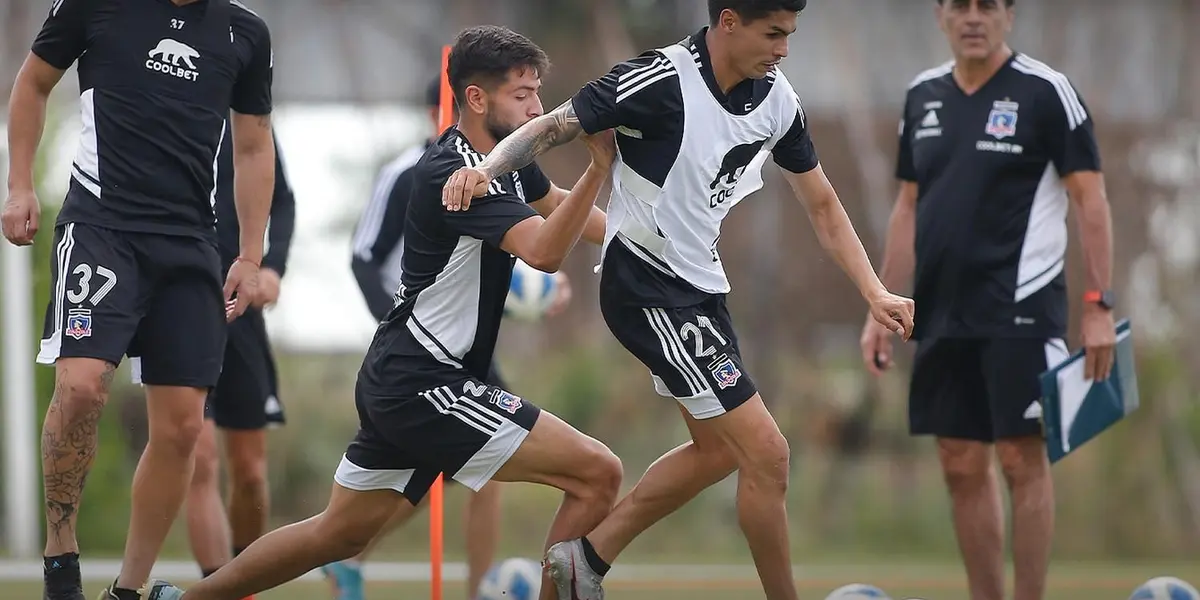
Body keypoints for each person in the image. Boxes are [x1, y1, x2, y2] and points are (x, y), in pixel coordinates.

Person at [442, 2, 917, 599]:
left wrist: (873, 289)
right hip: (646, 285)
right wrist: (486, 169)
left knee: (718, 451)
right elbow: (554, 124)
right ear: (729, 21)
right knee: (768, 454)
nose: (783, 49)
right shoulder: (661, 79)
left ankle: (588, 558)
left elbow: (821, 202)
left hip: (701, 289)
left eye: (790, 35)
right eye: (773, 33)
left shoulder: (778, 101)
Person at [144, 24, 619, 600]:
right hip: (426, 380)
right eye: (523, 95)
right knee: (597, 473)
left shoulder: (505, 161)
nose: (538, 109)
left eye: (538, 93)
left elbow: (560, 209)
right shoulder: (454, 175)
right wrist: (598, 168)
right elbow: (544, 251)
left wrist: (652, 243)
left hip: (405, 376)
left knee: (335, 535)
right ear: (475, 98)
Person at [1, 0, 276, 598]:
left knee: (182, 431)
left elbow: (254, 145)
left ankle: (127, 589)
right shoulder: (95, 6)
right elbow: (32, 83)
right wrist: (20, 184)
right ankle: (60, 559)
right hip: (102, 228)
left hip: (190, 245)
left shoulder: (245, 32)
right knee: (78, 387)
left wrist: (251, 256)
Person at [858, 1, 1116, 599]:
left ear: (1009, 14)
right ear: (940, 15)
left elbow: (1092, 200)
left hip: (1021, 308)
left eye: (988, 5)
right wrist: (881, 303)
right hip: (942, 311)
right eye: (960, 5)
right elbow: (907, 206)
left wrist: (1099, 304)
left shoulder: (1047, 91)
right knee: (958, 461)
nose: (974, 17)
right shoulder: (921, 95)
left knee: (1021, 461)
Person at [327, 76, 585, 600]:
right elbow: (363, 259)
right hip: (415, 350)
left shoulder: (502, 168)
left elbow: (509, 248)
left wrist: (532, 291)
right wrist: (394, 320)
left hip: (462, 351)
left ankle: (468, 586)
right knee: (455, 469)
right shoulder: (412, 174)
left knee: (474, 470)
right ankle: (352, 556)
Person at [182, 126, 295, 598]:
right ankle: (216, 588)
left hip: (239, 310)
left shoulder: (248, 124)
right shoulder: (166, 103)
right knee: (199, 458)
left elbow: (283, 202)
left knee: (249, 471)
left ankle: (243, 587)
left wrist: (272, 268)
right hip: (177, 305)